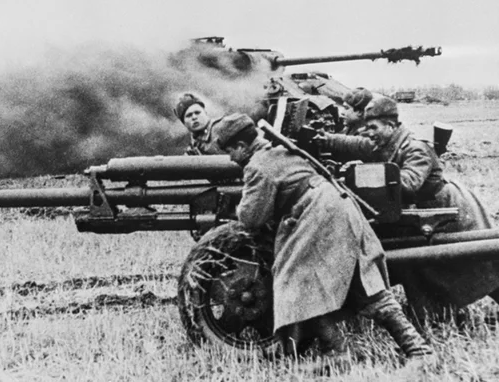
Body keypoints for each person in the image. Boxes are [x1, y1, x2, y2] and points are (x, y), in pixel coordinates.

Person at [211, 113, 433, 366]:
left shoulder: (258, 166)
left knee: (298, 282)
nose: (231, 158)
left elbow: (252, 218)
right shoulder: (280, 150)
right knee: (362, 283)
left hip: (319, 215)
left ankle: (346, 350)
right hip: (336, 206)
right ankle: (409, 350)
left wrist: (236, 207)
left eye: (231, 151)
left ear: (241, 146)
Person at [320, 96, 499, 325]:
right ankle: (433, 313)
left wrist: (365, 176)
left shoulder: (416, 148)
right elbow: (355, 144)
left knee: (469, 263)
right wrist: (325, 140)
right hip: (419, 210)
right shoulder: (386, 142)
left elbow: (408, 183)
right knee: (426, 266)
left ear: (390, 126)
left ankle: (440, 314)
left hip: (447, 209)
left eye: (373, 128)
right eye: (366, 127)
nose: (368, 133)